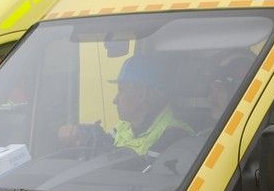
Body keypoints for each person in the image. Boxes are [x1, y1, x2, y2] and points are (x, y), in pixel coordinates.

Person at [61, 54, 191, 158]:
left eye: (122, 91)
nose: (115, 100)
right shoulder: (124, 127)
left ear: (141, 94)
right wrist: (84, 137)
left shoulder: (175, 134)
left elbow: (146, 175)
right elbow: (104, 144)